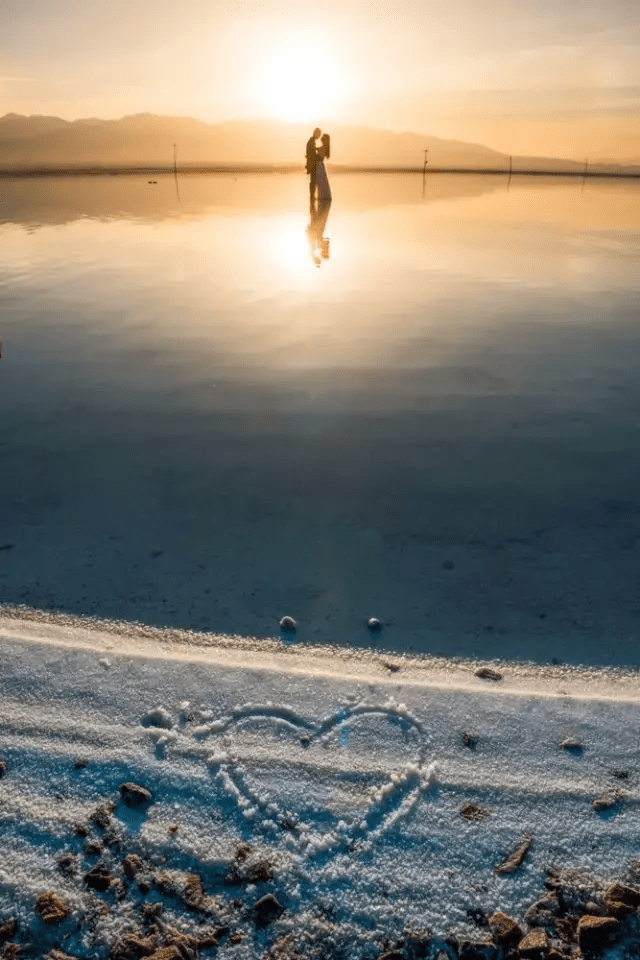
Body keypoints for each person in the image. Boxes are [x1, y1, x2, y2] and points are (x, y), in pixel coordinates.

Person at [306, 127, 321, 201]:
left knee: (313, 180)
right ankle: (312, 196)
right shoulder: (311, 141)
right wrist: (318, 156)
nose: (319, 136)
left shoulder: (311, 141)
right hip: (312, 164)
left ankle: (312, 196)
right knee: (313, 180)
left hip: (311, 163)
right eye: (319, 134)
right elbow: (312, 154)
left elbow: (311, 152)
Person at [315, 133, 332, 202]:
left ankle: (322, 196)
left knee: (320, 181)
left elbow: (317, 151)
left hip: (319, 165)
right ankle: (322, 196)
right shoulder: (325, 147)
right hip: (320, 165)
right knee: (321, 181)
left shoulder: (324, 147)